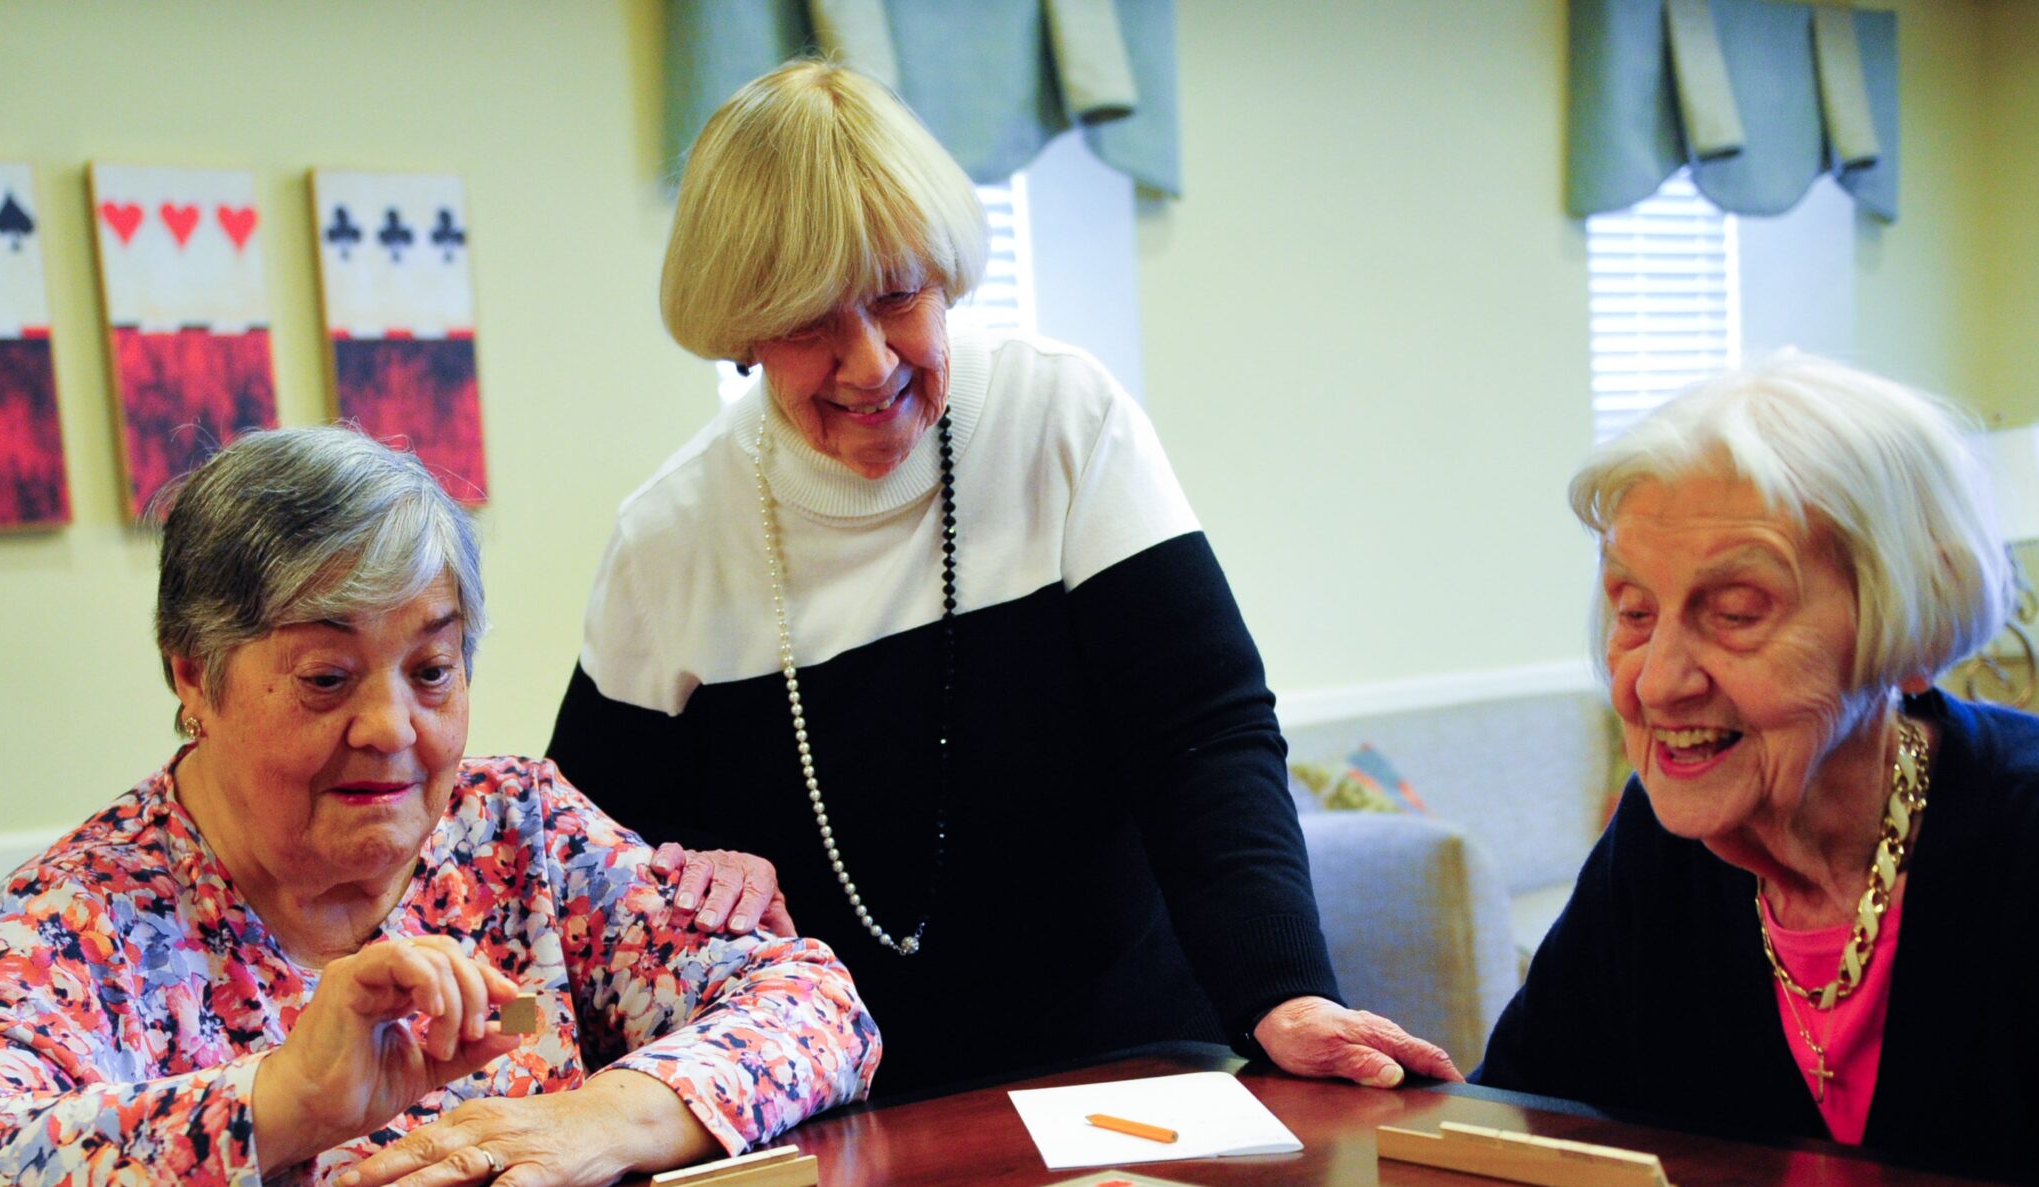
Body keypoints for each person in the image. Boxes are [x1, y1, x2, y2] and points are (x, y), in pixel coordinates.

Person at [549, 59, 1456, 1098]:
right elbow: (582, 869)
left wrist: (1280, 991)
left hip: (1129, 1061)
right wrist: (696, 864)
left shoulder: (1060, 420)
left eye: (897, 299)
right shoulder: (670, 536)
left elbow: (1203, 737)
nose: (869, 364)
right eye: (808, 323)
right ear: (741, 330)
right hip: (832, 1102)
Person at [0, 427, 878, 1187]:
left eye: (432, 668)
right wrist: (286, 1104)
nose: (392, 727)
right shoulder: (91, 919)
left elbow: (816, 1006)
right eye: (327, 678)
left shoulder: (516, 828)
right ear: (195, 676)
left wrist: (607, 1117)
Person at [1477, 354, 2039, 1187]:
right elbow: (1519, 1127)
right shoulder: (1662, 844)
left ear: (1910, 626)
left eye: (1737, 612)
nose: (1658, 680)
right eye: (1634, 612)